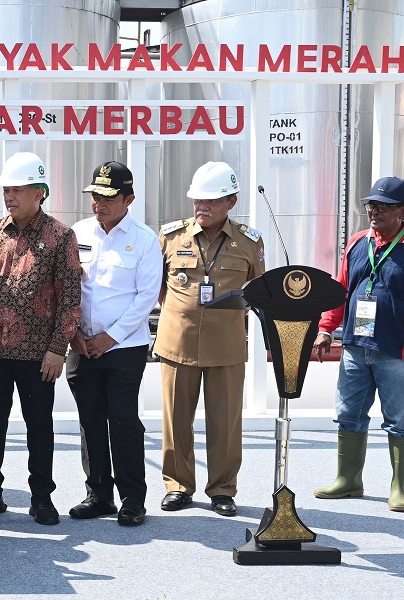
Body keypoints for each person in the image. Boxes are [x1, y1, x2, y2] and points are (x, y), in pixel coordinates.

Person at [0, 152, 82, 525]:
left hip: (39, 357)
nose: (9, 197)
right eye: (6, 190)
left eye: (16, 189)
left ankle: (42, 498)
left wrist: (57, 349)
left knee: (39, 428)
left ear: (39, 192)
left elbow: (70, 298)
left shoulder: (61, 237)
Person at [313, 176, 404, 512]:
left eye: (383, 206)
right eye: (371, 205)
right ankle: (348, 479)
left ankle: (399, 486)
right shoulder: (357, 242)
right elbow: (341, 289)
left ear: (403, 211)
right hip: (355, 347)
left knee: (400, 419)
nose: (374, 211)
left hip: (397, 350)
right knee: (348, 414)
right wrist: (326, 327)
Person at [156, 161, 264, 517]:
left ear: (231, 202)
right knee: (175, 420)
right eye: (198, 200)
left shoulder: (249, 242)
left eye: (212, 200)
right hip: (177, 343)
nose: (202, 206)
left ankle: (222, 489)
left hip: (226, 346)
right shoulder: (171, 236)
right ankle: (177, 487)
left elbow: (258, 290)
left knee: (225, 423)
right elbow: (158, 289)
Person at [66, 161, 162, 526]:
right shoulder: (77, 233)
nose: (99, 203)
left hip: (123, 347)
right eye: (95, 196)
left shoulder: (145, 240)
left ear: (129, 199)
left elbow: (146, 297)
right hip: (82, 345)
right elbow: (68, 287)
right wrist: (75, 333)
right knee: (89, 421)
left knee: (122, 421)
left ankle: (132, 498)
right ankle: (99, 494)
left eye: (108, 197)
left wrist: (110, 337)